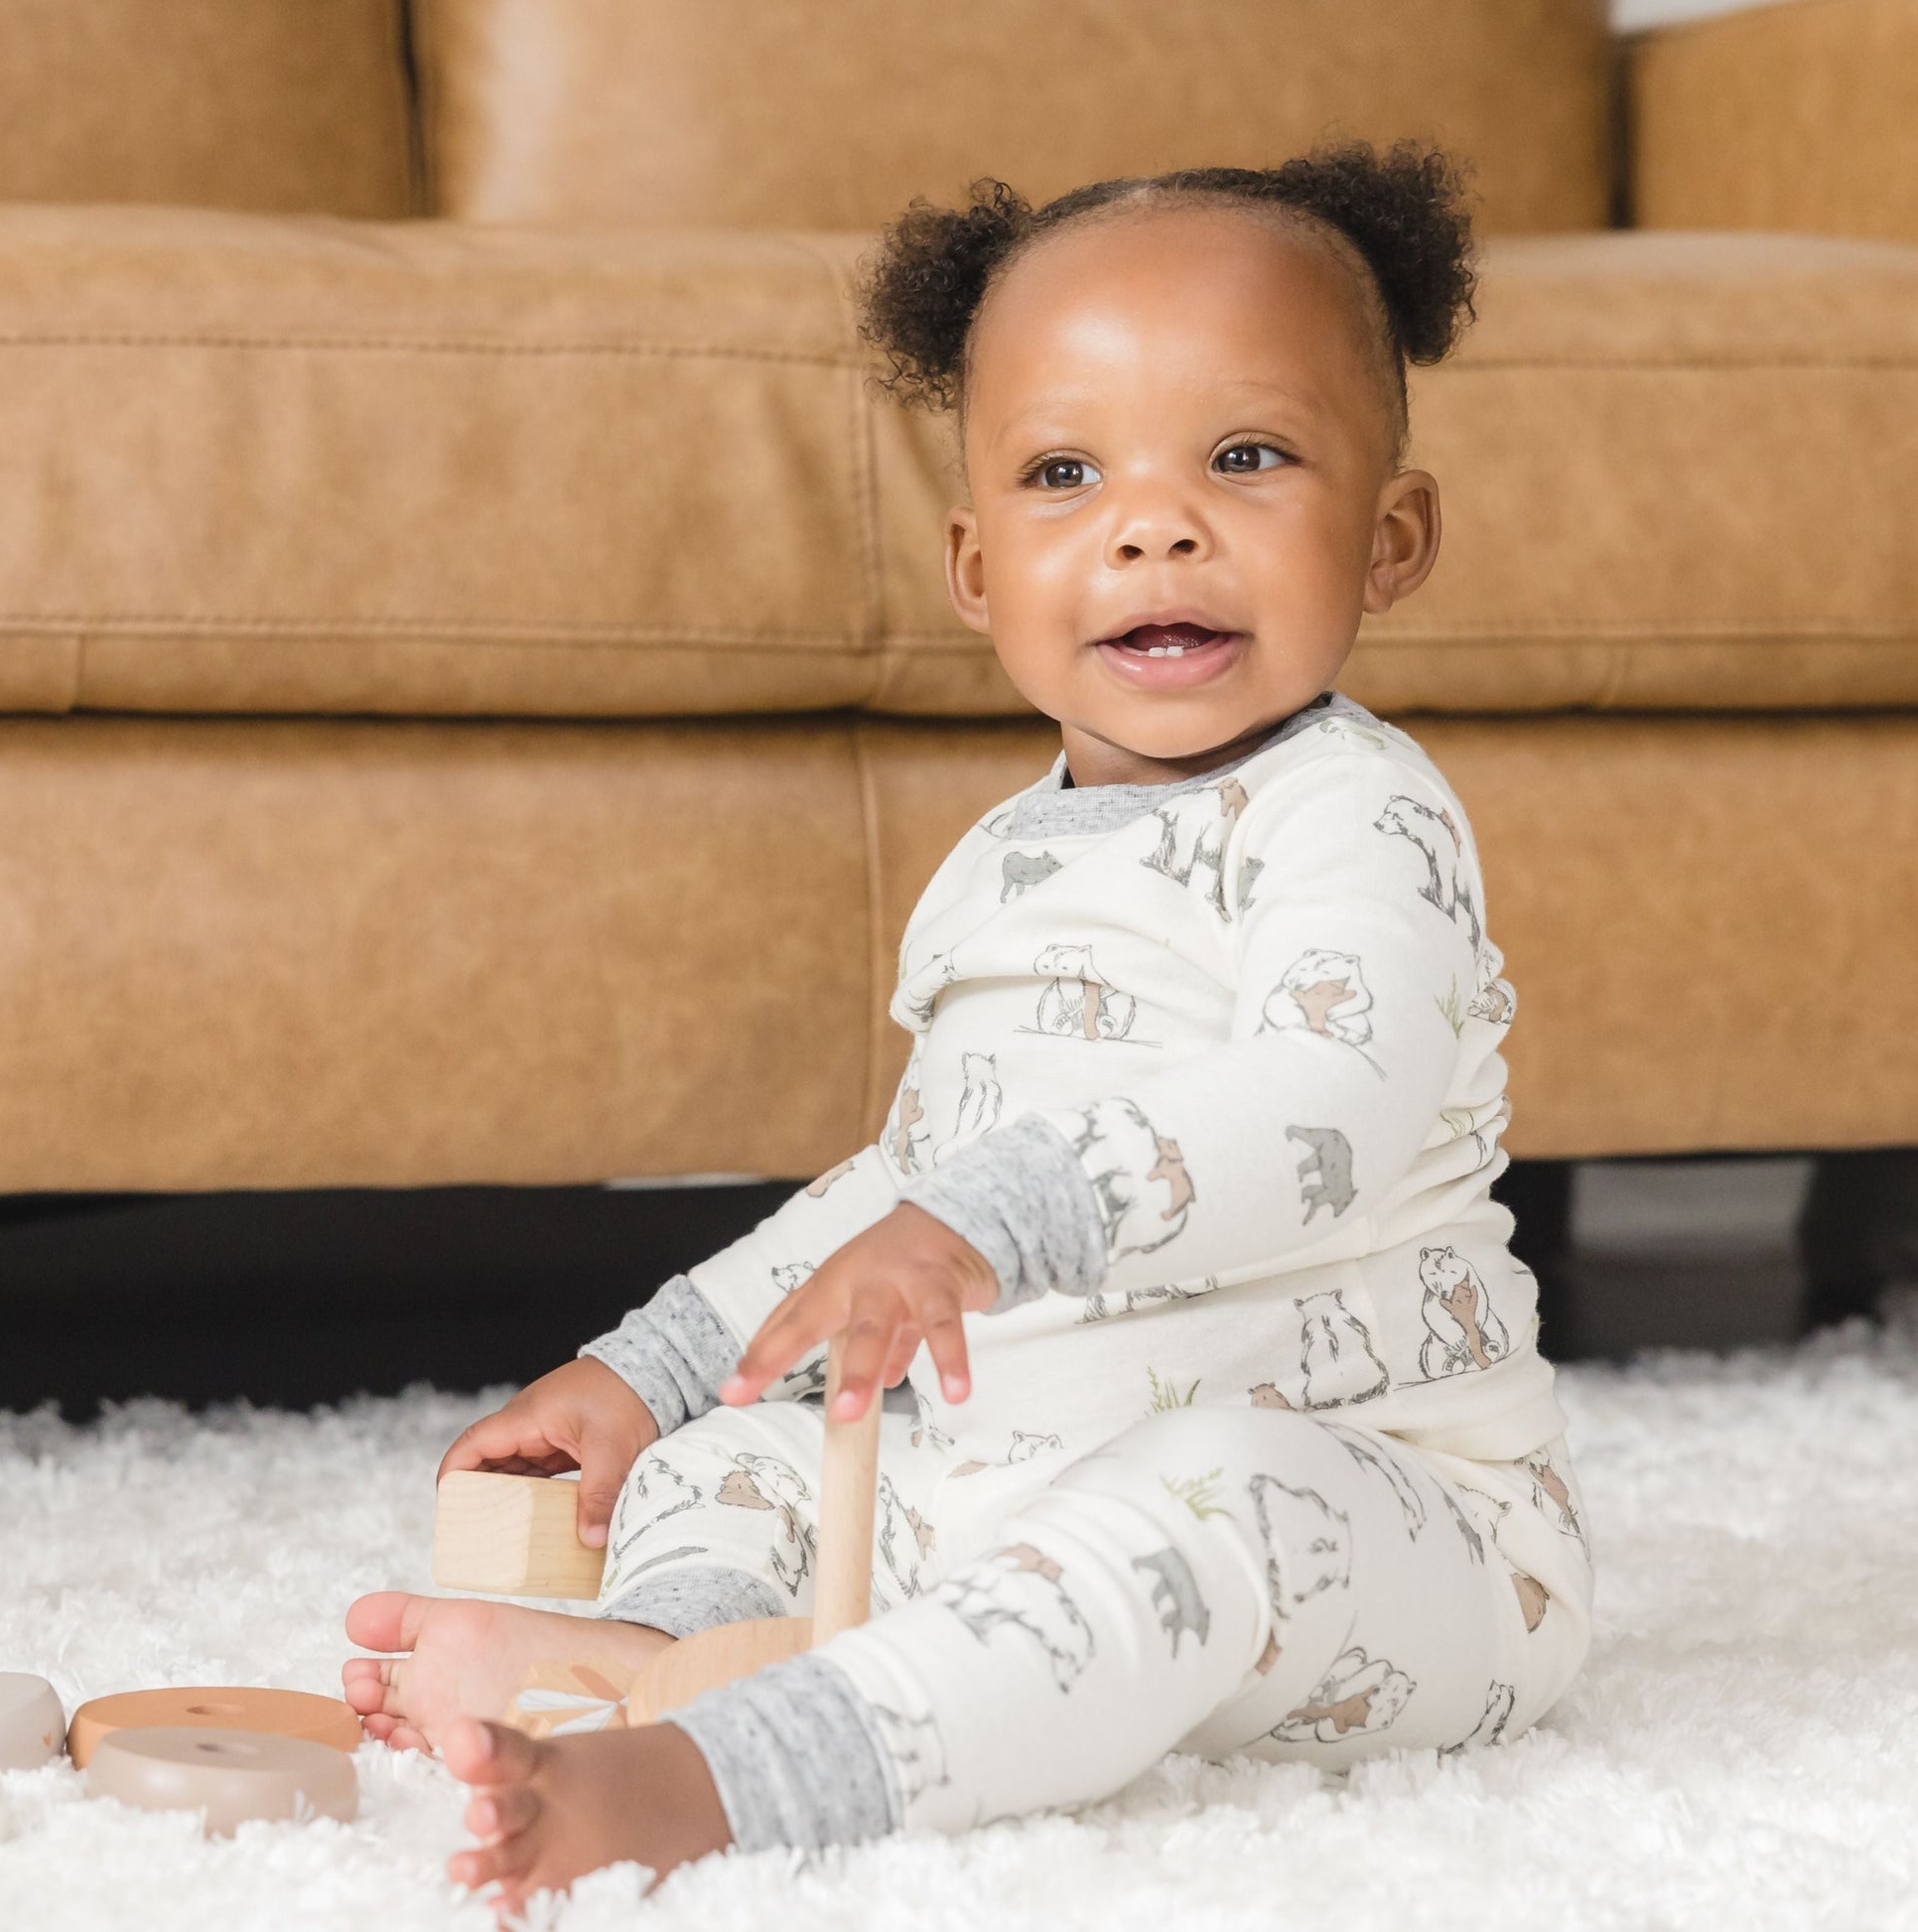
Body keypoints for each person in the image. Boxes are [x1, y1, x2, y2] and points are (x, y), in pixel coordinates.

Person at [342, 140, 1596, 1911]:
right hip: (1018, 1479)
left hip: (1389, 1528)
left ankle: (729, 1775)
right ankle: (670, 1647)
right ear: (975, 568)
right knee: (744, 1458)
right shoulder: (1005, 858)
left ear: (1388, 539)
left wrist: (997, 1211)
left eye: (1244, 456)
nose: (1152, 523)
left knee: (1209, 1504)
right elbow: (906, 1175)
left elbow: (1329, 1099)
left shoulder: (1355, 814)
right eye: (1065, 472)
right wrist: (652, 1367)